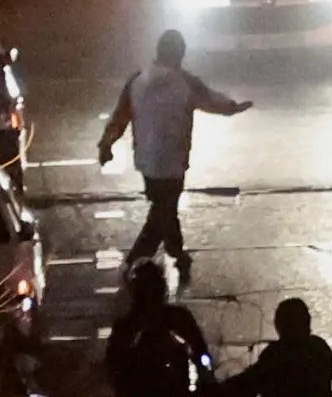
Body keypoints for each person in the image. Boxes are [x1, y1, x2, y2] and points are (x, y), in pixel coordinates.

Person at [97, 30, 253, 283]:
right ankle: (136, 260)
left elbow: (119, 117)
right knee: (162, 211)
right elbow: (213, 101)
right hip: (173, 160)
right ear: (180, 54)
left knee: (165, 208)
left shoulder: (137, 81)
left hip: (146, 161)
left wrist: (106, 145)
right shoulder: (186, 82)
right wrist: (234, 107)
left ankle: (177, 251)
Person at [106, 260, 210, 397]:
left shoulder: (178, 319)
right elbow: (113, 369)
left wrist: (207, 379)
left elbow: (200, 352)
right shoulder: (128, 327)